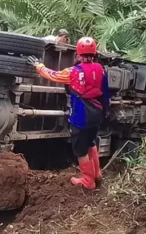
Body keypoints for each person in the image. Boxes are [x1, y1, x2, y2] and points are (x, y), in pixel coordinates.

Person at [27, 37, 109, 190]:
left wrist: (38, 66)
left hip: (81, 117)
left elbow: (52, 75)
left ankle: (88, 181)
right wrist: (103, 112)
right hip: (97, 114)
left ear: (78, 54)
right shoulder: (101, 69)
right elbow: (105, 94)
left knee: (80, 150)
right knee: (91, 142)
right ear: (94, 53)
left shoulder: (73, 72)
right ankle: (97, 174)